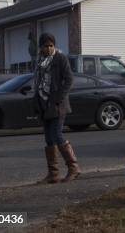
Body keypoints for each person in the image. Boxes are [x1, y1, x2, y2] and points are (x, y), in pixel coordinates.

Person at [34, 33, 79, 184]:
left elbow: (69, 79)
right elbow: (38, 81)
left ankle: (73, 168)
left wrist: (59, 97)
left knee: (57, 134)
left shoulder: (60, 58)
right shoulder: (39, 60)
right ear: (40, 47)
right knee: (48, 139)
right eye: (45, 46)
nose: (48, 48)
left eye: (51, 45)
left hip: (58, 104)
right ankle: (53, 174)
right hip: (44, 104)